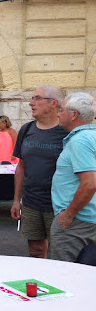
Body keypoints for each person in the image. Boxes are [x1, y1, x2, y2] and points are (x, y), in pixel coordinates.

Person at [10, 86, 67, 258]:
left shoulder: (66, 132)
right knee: (35, 250)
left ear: (53, 103)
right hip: (31, 202)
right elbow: (21, 166)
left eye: (37, 98)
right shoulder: (27, 130)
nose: (31, 103)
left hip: (58, 205)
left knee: (60, 252)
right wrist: (16, 200)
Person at [49, 92, 96, 262]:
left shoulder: (80, 141)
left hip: (77, 222)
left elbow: (90, 184)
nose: (58, 113)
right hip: (87, 219)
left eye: (61, 110)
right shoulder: (91, 136)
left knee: (65, 275)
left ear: (74, 115)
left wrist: (68, 214)